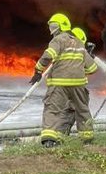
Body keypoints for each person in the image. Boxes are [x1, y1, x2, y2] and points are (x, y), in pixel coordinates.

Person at [30, 14, 97, 146]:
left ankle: (49, 141)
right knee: (82, 110)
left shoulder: (58, 40)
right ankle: (87, 140)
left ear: (60, 27)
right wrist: (78, 69)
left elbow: (49, 55)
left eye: (53, 26)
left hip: (59, 83)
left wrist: (38, 70)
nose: (51, 29)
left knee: (52, 109)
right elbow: (93, 68)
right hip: (78, 85)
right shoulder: (78, 42)